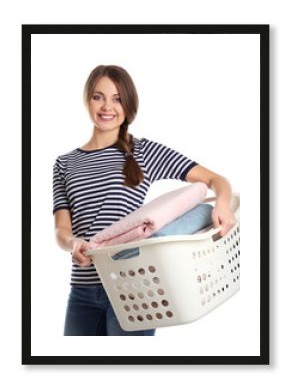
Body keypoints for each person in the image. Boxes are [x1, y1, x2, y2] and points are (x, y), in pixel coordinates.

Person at [53, 64, 236, 336]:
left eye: (117, 99)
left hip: (134, 286)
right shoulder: (65, 163)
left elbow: (216, 180)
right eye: (98, 96)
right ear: (87, 99)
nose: (107, 107)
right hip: (82, 290)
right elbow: (61, 230)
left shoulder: (144, 151)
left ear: (128, 104)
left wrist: (222, 205)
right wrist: (73, 243)